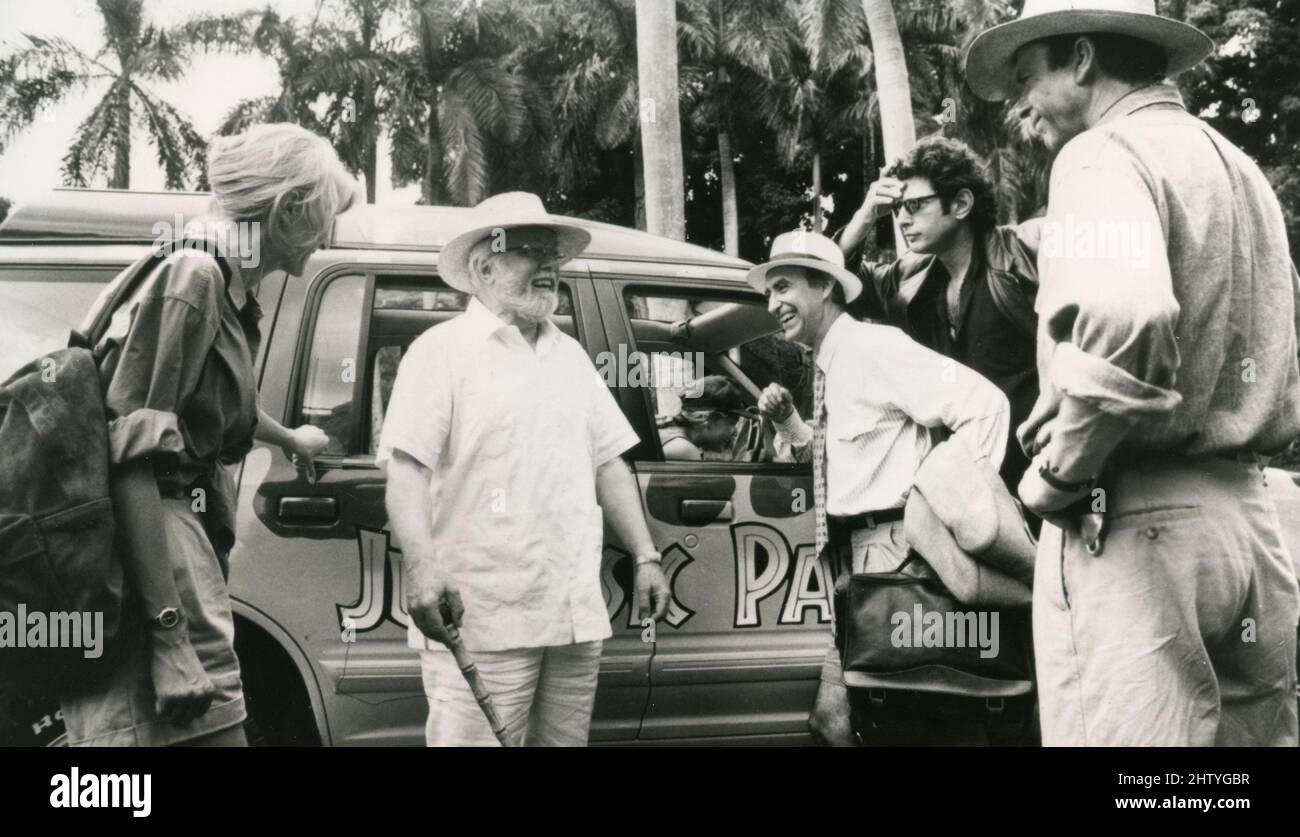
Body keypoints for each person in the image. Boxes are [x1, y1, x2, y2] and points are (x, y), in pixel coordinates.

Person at [965, 0, 1300, 745]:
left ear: (1081, 59)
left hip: (1135, 521)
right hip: (1250, 526)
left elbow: (1127, 317)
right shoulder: (1239, 169)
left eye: (1026, 75)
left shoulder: (1100, 155)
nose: (1017, 103)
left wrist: (1057, 473)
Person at [60, 123, 359, 746]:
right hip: (152, 559)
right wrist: (170, 636)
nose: (328, 236)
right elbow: (128, 457)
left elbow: (198, 408)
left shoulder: (214, 278)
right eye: (324, 216)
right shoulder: (193, 279)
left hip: (171, 551)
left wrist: (286, 438)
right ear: (286, 211)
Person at [379, 192, 671, 747]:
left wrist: (646, 556)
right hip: (484, 617)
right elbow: (407, 471)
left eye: (552, 254)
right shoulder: (439, 352)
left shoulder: (572, 357)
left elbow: (609, 463)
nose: (548, 266)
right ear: (484, 267)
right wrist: (421, 569)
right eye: (529, 250)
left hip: (572, 613)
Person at [750, 230, 1010, 745]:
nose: (773, 303)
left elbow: (986, 405)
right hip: (857, 566)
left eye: (783, 287)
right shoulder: (830, 364)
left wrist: (947, 513)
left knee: (913, 721)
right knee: (835, 720)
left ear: (824, 286)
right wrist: (787, 424)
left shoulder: (874, 348)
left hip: (899, 557)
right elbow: (841, 462)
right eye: (768, 294)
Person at [837, 136, 1040, 494]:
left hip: (1044, 475)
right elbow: (837, 285)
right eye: (898, 207)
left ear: (961, 203)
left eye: (914, 205)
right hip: (969, 489)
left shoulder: (1023, 253)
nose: (901, 219)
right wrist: (866, 213)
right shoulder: (909, 278)